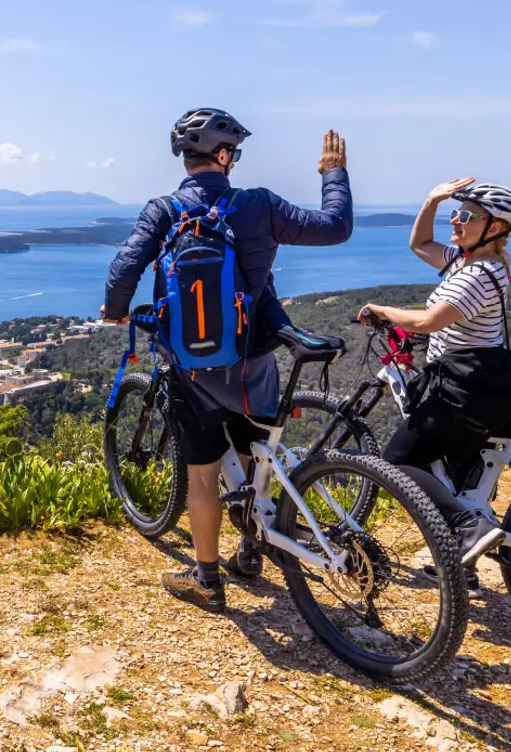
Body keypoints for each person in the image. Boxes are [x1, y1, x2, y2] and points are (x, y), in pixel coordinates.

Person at [103, 108, 352, 613]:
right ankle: (250, 550)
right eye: (233, 153)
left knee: (201, 475)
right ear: (223, 156)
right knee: (250, 456)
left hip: (192, 368)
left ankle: (207, 579)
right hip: (253, 362)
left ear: (188, 158)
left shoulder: (164, 208)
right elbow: (335, 227)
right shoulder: (259, 205)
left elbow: (126, 264)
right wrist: (332, 173)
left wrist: (114, 310)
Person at [358, 178, 511, 591]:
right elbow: (420, 244)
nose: (457, 219)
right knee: (459, 478)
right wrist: (432, 200)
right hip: (482, 387)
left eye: (467, 215)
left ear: (494, 228)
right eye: (457, 212)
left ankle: (466, 530)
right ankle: (464, 561)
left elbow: (429, 321)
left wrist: (382, 310)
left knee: (397, 462)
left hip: (463, 393)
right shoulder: (467, 262)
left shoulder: (475, 275)